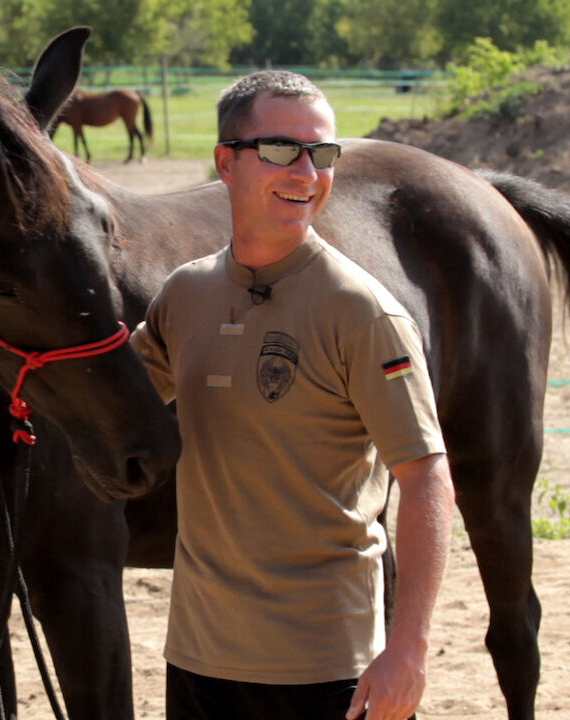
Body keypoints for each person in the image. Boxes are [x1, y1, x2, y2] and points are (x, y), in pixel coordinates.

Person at [129, 70, 454, 720]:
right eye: (282, 149)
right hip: (197, 660)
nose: (307, 172)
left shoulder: (362, 312)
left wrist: (409, 649)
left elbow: (425, 478)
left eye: (322, 153)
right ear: (226, 161)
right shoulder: (185, 296)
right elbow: (108, 403)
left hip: (329, 664)